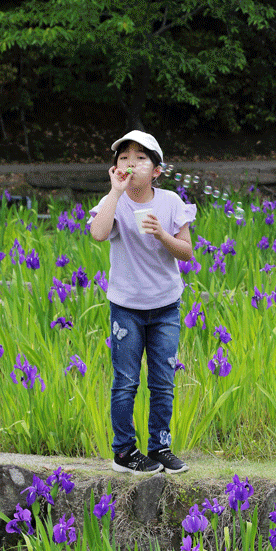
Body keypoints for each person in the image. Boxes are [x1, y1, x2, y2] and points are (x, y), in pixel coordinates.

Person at [89, 130, 197, 474]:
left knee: (163, 380)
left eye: (140, 158)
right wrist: (115, 192)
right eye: (123, 158)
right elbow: (98, 233)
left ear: (156, 171)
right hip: (126, 308)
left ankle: (160, 447)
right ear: (115, 168)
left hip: (166, 307)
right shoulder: (114, 201)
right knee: (126, 381)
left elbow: (187, 253)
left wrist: (162, 234)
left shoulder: (170, 203)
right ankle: (124, 451)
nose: (130, 163)